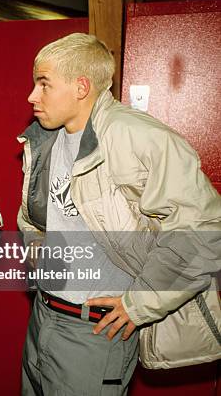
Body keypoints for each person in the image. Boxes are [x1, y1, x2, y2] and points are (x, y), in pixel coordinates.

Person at [17, 33, 221, 395]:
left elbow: (204, 230)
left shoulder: (138, 137)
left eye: (44, 84)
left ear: (81, 87)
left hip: (94, 334)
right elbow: (36, 218)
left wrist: (140, 303)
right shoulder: (47, 139)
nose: (33, 96)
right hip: (43, 316)